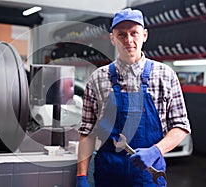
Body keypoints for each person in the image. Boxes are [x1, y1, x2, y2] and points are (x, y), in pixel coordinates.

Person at [76, 8, 191, 187]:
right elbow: (87, 132)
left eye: (134, 33)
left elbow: (181, 126)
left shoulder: (165, 75)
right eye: (121, 34)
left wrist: (155, 151)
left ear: (144, 35)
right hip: (109, 174)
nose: (128, 40)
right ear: (112, 38)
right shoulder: (97, 78)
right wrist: (81, 176)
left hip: (149, 175)